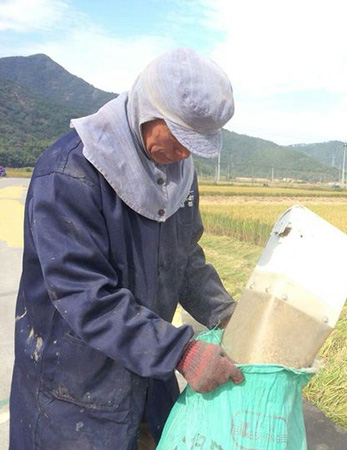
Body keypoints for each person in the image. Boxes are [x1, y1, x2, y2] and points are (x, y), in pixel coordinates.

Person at [10, 48, 244, 449]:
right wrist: (181, 353)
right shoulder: (70, 174)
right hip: (76, 388)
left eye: (195, 144)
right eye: (179, 137)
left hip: (147, 373)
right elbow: (84, 295)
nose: (185, 154)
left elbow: (185, 259)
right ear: (148, 109)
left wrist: (229, 315)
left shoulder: (177, 175)